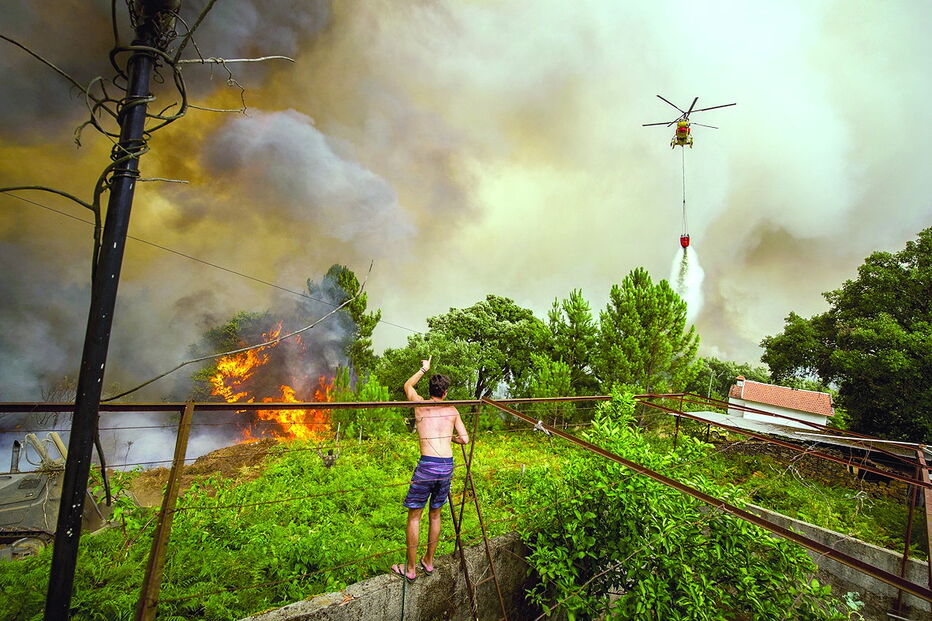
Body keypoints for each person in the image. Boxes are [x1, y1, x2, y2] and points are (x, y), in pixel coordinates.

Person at [391, 356, 469, 582]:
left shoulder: (419, 404)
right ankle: (429, 561)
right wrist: (450, 438)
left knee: (415, 516)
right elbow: (464, 439)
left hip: (427, 465)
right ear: (445, 392)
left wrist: (424, 368)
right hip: (447, 466)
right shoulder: (453, 410)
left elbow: (407, 386)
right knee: (436, 514)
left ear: (431, 390)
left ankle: (412, 568)